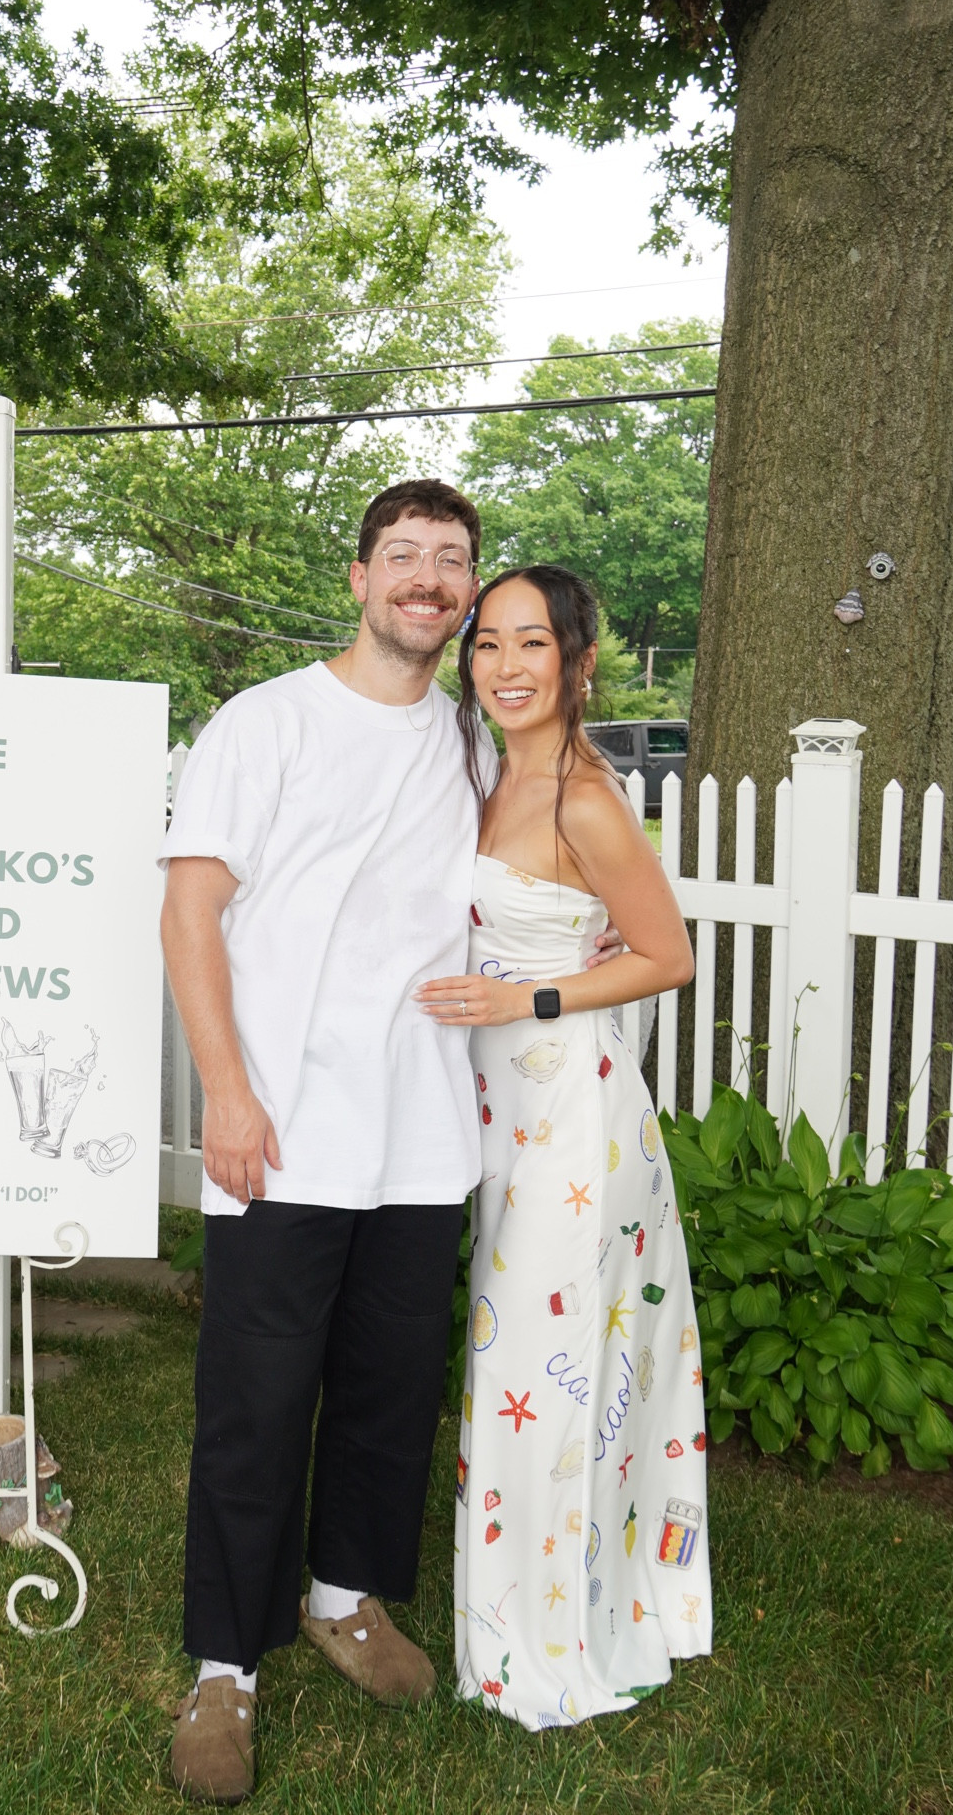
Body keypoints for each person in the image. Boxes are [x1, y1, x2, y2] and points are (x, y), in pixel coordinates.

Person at [158, 485, 619, 1804]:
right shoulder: (265, 725)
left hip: (428, 1132)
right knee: (254, 1407)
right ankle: (224, 1669)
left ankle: (344, 1598)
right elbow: (191, 915)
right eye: (404, 557)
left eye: (451, 563)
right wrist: (227, 1092)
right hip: (284, 1133)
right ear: (360, 577)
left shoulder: (473, 750)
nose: (428, 580)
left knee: (385, 1392)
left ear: (468, 596)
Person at [414, 564, 714, 1728]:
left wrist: (526, 1000)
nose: (503, 666)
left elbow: (665, 954)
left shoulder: (583, 796)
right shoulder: (484, 772)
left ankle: (543, 1635)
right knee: (524, 1356)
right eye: (486, 643)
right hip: (499, 1116)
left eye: (529, 644)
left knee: (545, 1370)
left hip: (572, 1120)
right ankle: (532, 1601)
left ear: (577, 661)